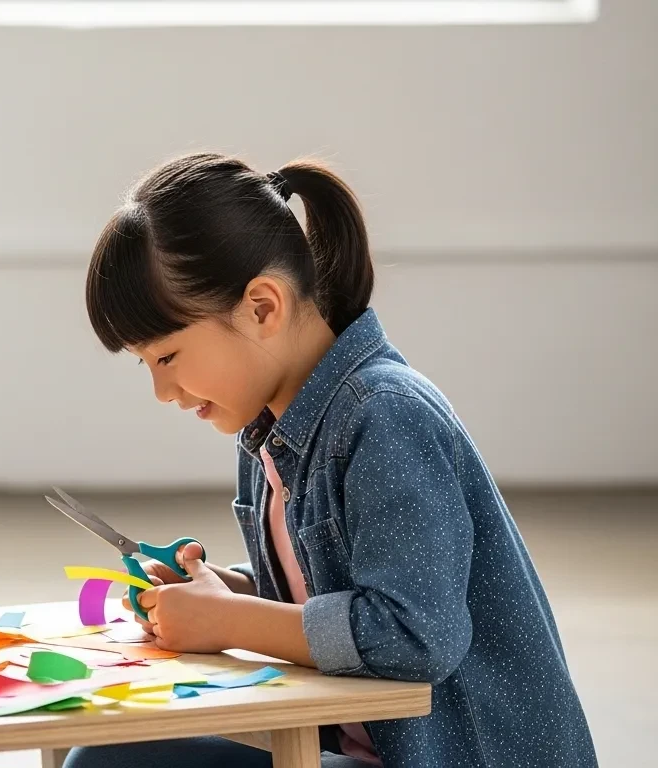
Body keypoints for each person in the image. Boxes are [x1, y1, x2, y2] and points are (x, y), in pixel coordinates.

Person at [64, 153, 596, 767]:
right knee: (112, 752)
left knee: (109, 765)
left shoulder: (386, 415)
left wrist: (230, 621)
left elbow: (415, 634)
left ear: (263, 308)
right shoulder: (268, 430)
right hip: (364, 751)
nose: (162, 391)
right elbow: (331, 588)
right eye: (145, 364)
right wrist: (224, 591)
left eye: (168, 356)